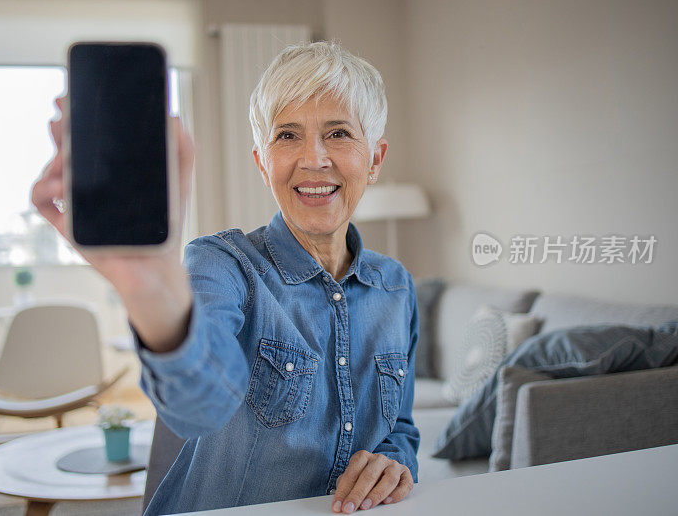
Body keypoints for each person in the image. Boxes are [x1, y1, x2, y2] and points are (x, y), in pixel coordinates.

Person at [32, 40, 419, 515]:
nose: (314, 158)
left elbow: (398, 424)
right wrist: (150, 294)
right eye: (287, 135)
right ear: (263, 164)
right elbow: (199, 407)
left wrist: (395, 459)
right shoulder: (221, 264)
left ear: (374, 160)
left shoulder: (396, 286)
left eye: (338, 133)